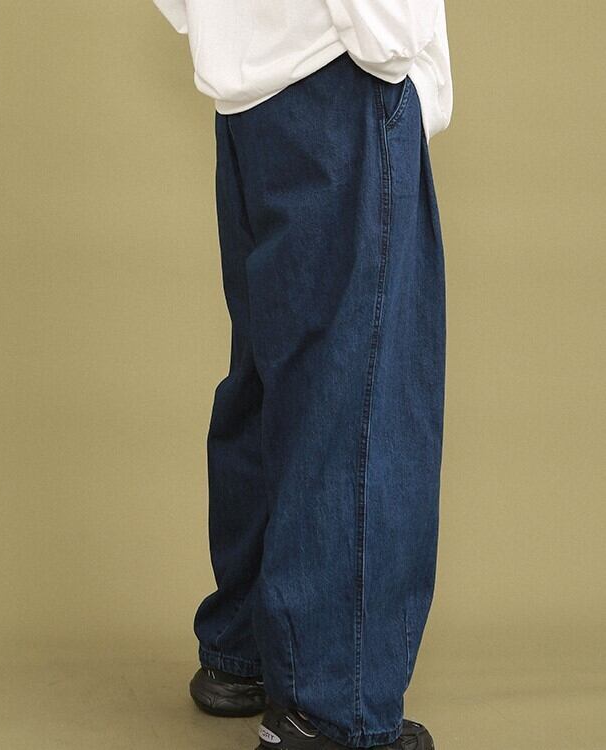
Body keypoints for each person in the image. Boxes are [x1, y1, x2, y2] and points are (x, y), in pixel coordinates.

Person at [152, 2, 452, 748]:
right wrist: (396, 46)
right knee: (359, 401)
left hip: (251, 97)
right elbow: (388, 31)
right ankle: (332, 706)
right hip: (340, 83)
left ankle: (247, 647)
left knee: (274, 376)